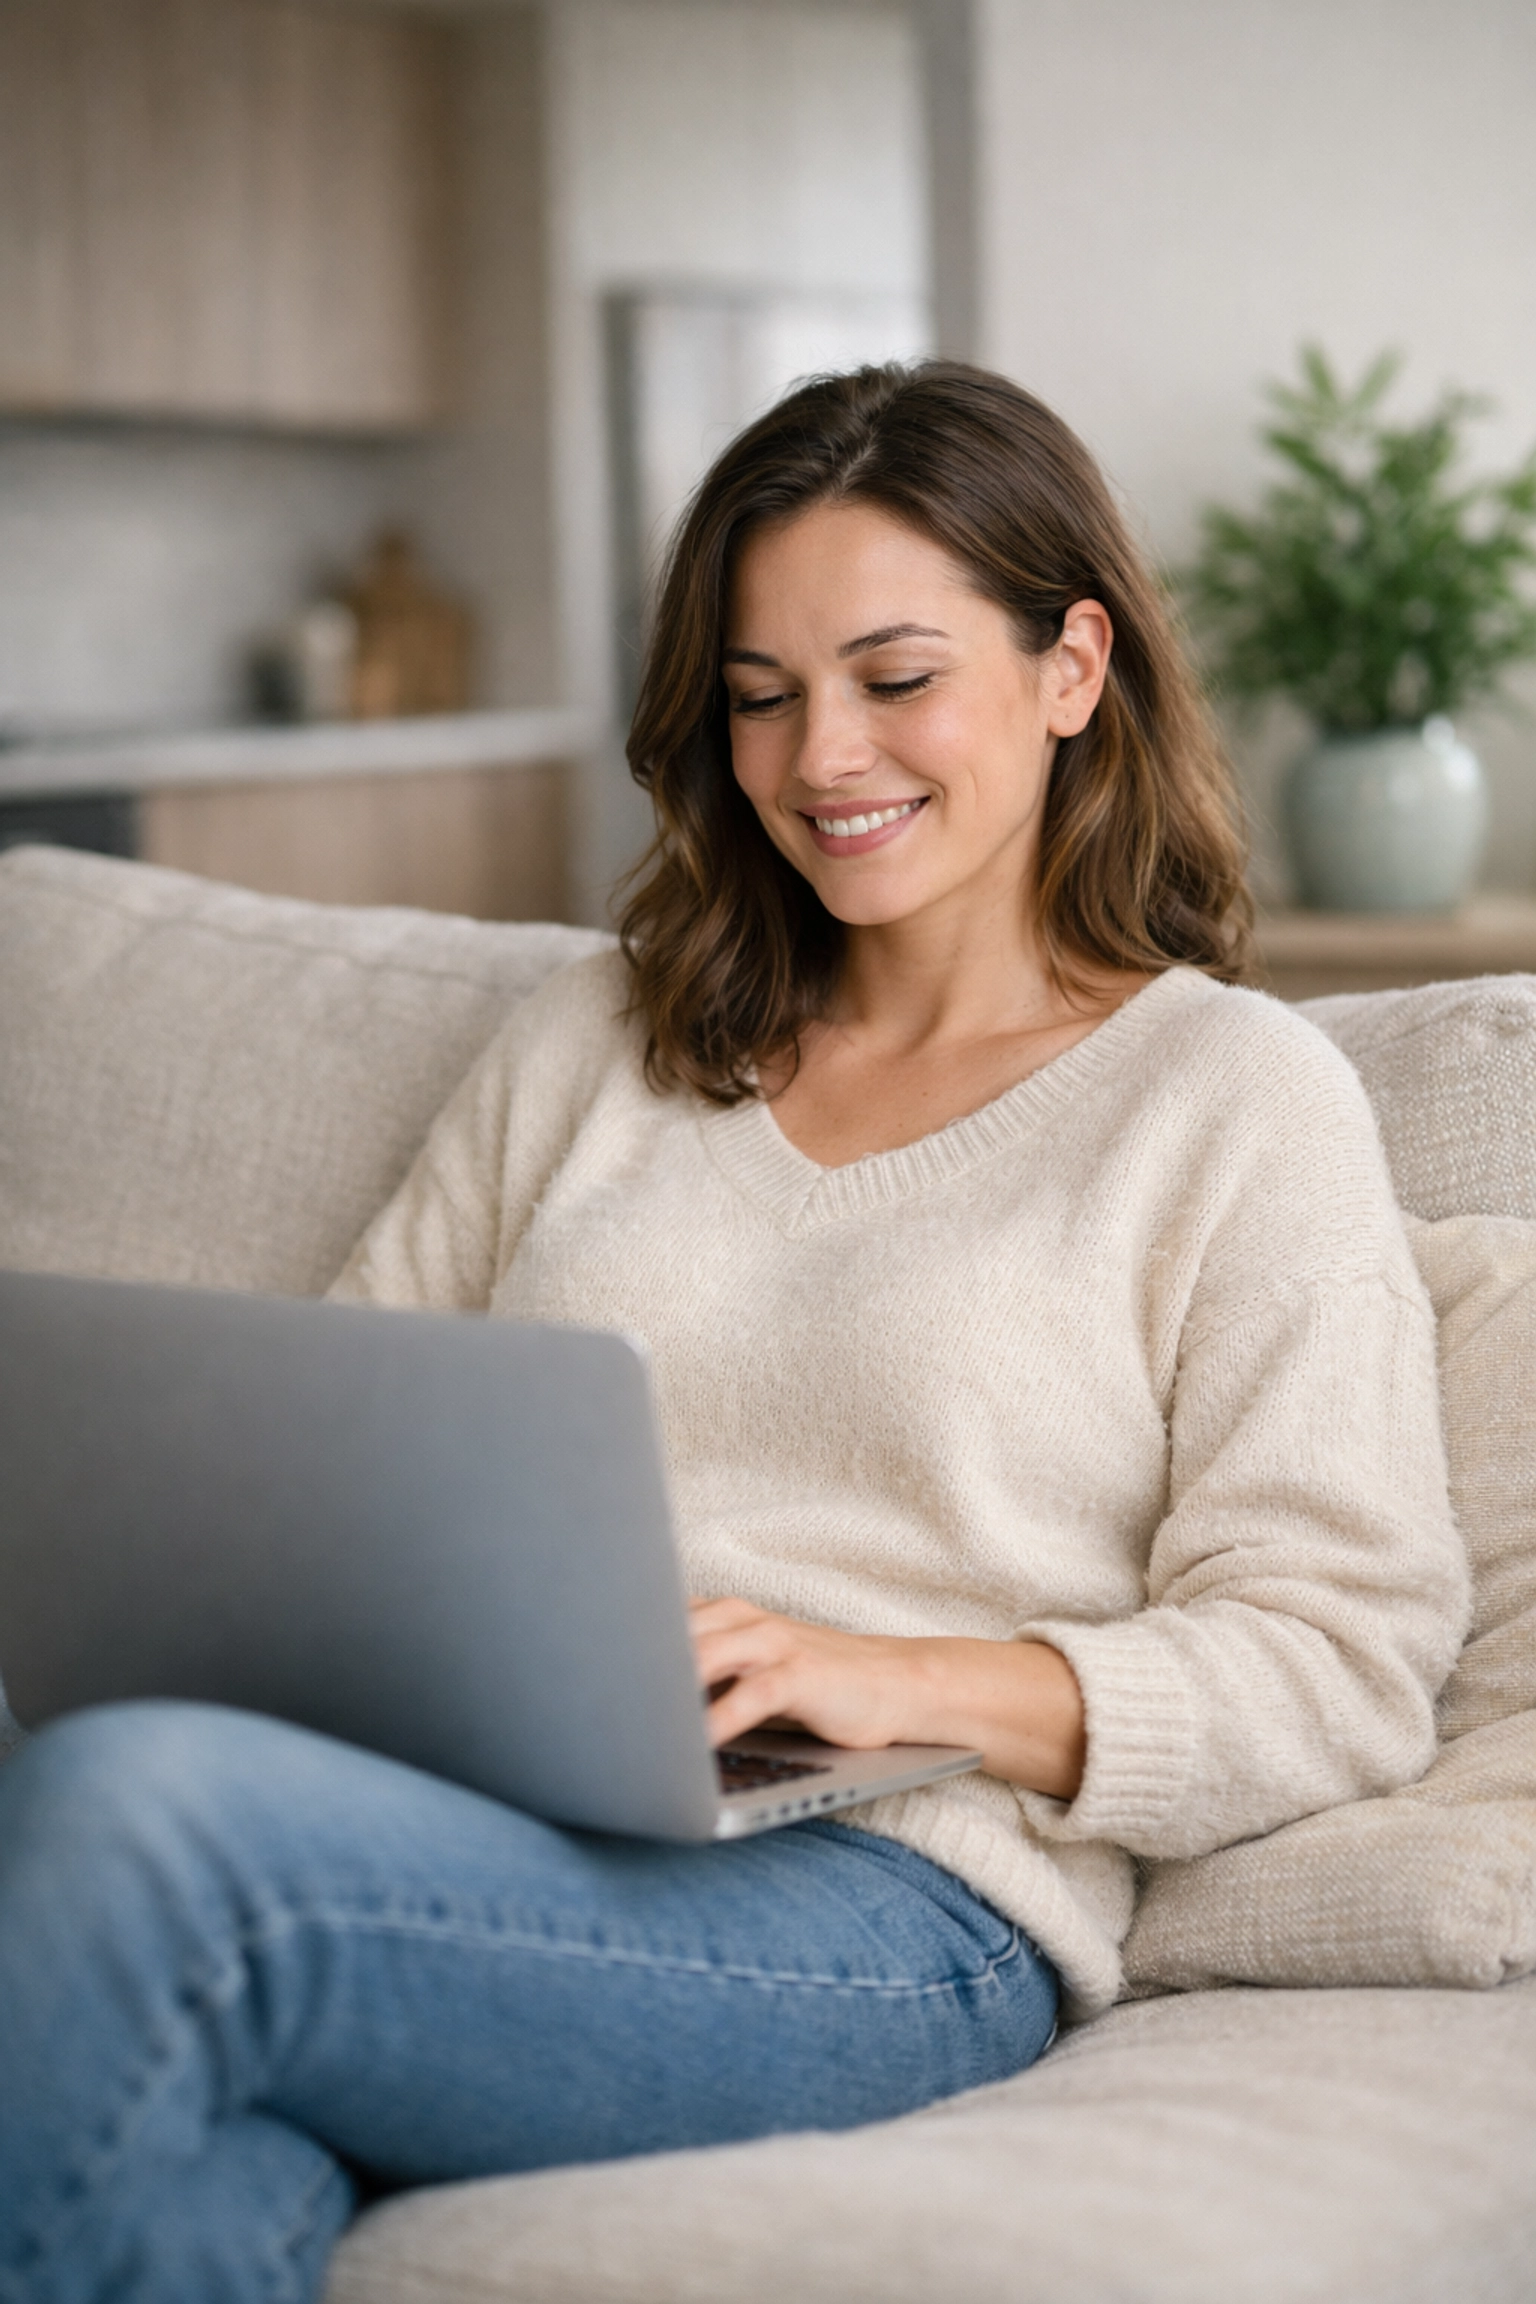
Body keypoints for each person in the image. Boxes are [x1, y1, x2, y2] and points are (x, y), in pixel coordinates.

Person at [0, 363, 1468, 2302]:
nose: (819, 755)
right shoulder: (601, 1046)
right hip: (476, 1810)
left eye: (893, 676)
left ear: (1071, 664)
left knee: (138, 1817)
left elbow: (1342, 1663)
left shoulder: (1228, 1098)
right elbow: (335, 1451)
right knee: (191, 2153)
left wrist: (902, 1678)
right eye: (761, 696)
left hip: (890, 1900)